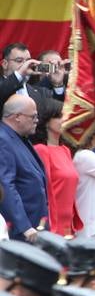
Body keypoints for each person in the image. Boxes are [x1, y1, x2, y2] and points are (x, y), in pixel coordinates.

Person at [0, 93, 48, 241]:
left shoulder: (19, 137)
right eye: (33, 117)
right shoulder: (3, 140)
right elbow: (6, 185)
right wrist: (24, 226)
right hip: (22, 231)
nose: (37, 121)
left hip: (34, 224)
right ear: (17, 117)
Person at [32, 97, 79, 235]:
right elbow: (45, 191)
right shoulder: (41, 150)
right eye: (58, 116)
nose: (63, 120)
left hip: (68, 224)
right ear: (46, 121)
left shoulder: (65, 150)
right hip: (53, 224)